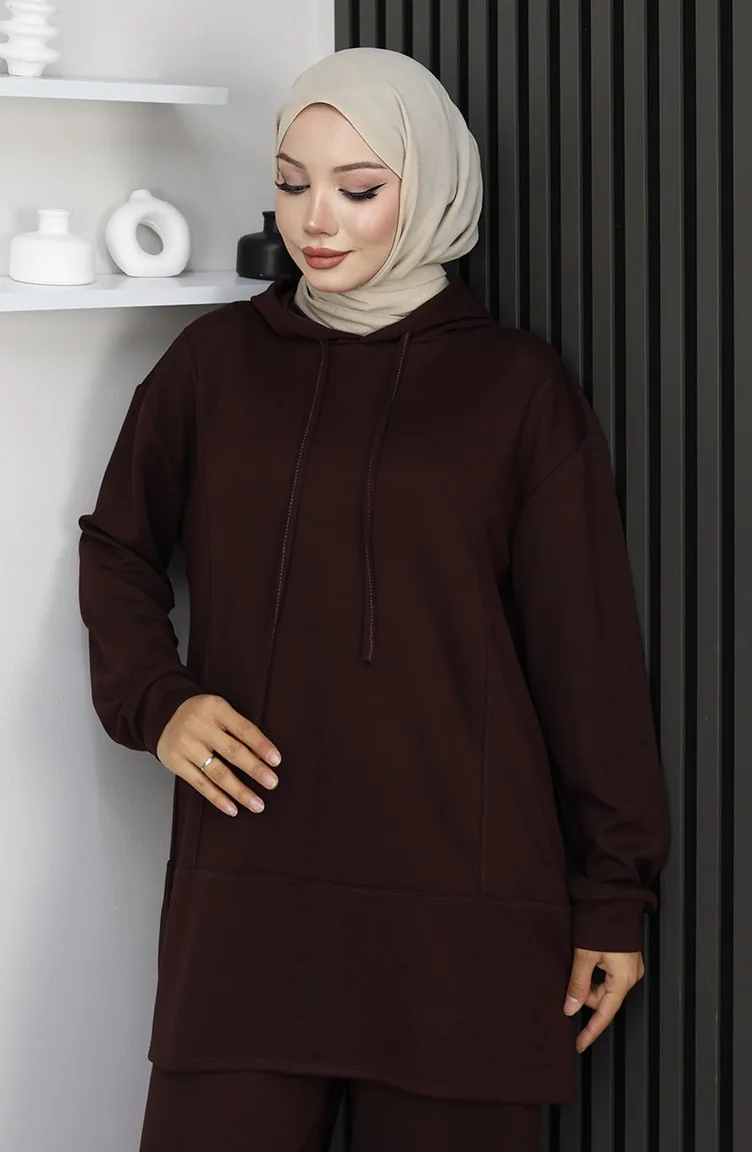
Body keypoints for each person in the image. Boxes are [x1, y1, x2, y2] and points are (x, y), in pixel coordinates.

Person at [78, 47, 671, 1152]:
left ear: (431, 185)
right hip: (248, 898)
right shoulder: (212, 368)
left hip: (462, 910)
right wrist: (159, 702)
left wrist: (613, 894)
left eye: (357, 188)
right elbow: (117, 546)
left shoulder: (517, 390)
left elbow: (583, 657)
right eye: (290, 182)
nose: (316, 220)